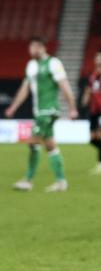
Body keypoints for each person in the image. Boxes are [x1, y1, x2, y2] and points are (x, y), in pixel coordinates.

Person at [5, 37, 78, 192]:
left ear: (41, 47)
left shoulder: (53, 63)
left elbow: (64, 85)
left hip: (49, 110)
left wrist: (72, 107)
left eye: (34, 47)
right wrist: (13, 107)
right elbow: (25, 89)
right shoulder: (31, 66)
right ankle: (61, 182)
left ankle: (28, 180)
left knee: (32, 142)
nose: (31, 50)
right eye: (30, 47)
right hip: (39, 112)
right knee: (50, 145)